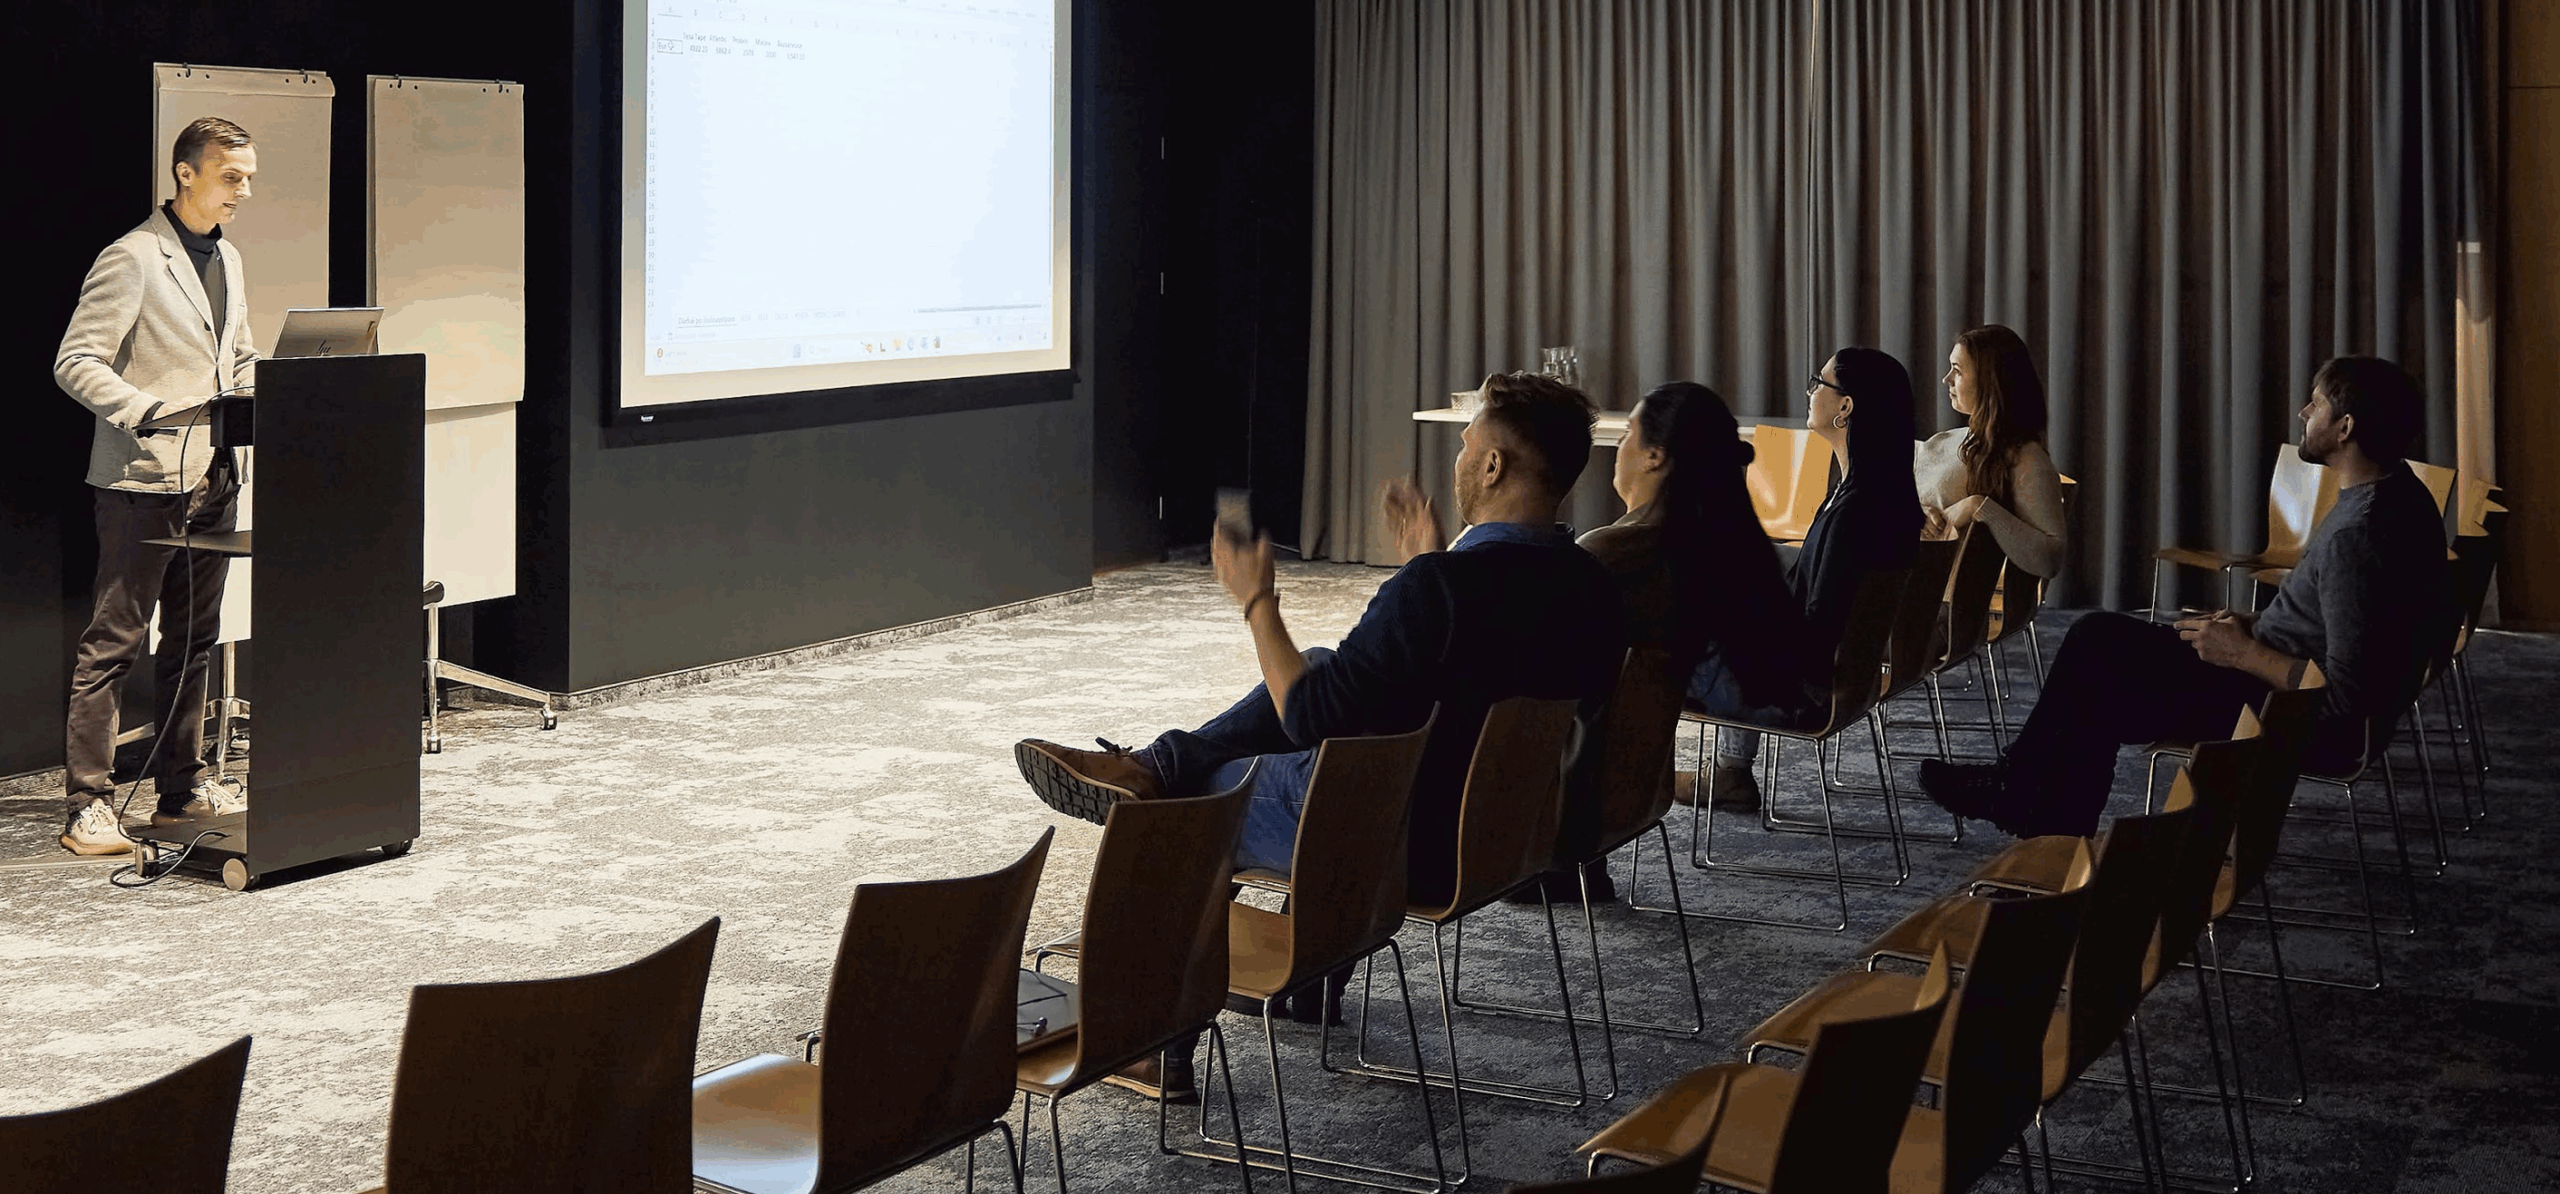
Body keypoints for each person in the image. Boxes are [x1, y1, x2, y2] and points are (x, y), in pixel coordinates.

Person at [1013, 370, 1623, 1096]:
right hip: (1497, 839)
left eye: (1467, 445)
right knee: (1329, 664)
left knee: (1185, 804)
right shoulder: (1590, 587)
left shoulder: (1440, 591)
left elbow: (1311, 715)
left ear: (1493, 466)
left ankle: (1149, 1042)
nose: (1459, 457)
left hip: (1389, 846)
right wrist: (1430, 565)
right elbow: (1467, 672)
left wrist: (1258, 602)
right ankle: (1297, 964)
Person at [1920, 356, 2450, 838]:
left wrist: (2241, 652)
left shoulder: (2361, 535)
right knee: (2096, 640)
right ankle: (2034, 808)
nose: (2303, 412)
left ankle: (2036, 813)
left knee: (2098, 682)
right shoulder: (2397, 493)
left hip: (2284, 711)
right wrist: (2250, 624)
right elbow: (2341, 622)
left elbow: (2345, 702)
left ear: (2345, 428)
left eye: (2316, 404)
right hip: (2265, 671)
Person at [52, 117, 262, 855]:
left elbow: (237, 356)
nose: (243, 190)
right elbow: (76, 361)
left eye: (248, 178)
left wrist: (266, 393)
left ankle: (182, 788)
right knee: (115, 643)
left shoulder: (228, 258)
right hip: (142, 479)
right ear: (185, 174)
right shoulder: (132, 257)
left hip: (214, 475)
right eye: (231, 176)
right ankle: (88, 804)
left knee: (194, 641)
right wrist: (144, 409)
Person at [1685, 349, 1925, 810]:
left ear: (1845, 407)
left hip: (1802, 694)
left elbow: (1814, 635)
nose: (1810, 391)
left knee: (1649, 656)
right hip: (1841, 684)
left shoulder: (1853, 512)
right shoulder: (1879, 494)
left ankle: (1654, 780)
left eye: (1819, 382)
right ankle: (1729, 772)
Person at [1574, 381, 1809, 825]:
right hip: (1770, 688)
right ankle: (1730, 770)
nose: (1619, 447)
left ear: (1654, 456)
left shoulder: (1610, 554)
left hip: (1594, 784)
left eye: (1626, 434)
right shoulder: (1728, 535)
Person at [1922, 324, 2066, 579]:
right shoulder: (1944, 440)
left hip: (1921, 588)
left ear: (1990, 381)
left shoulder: (2025, 457)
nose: (1946, 379)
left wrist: (1979, 506)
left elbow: (2050, 559)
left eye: (1957, 370)